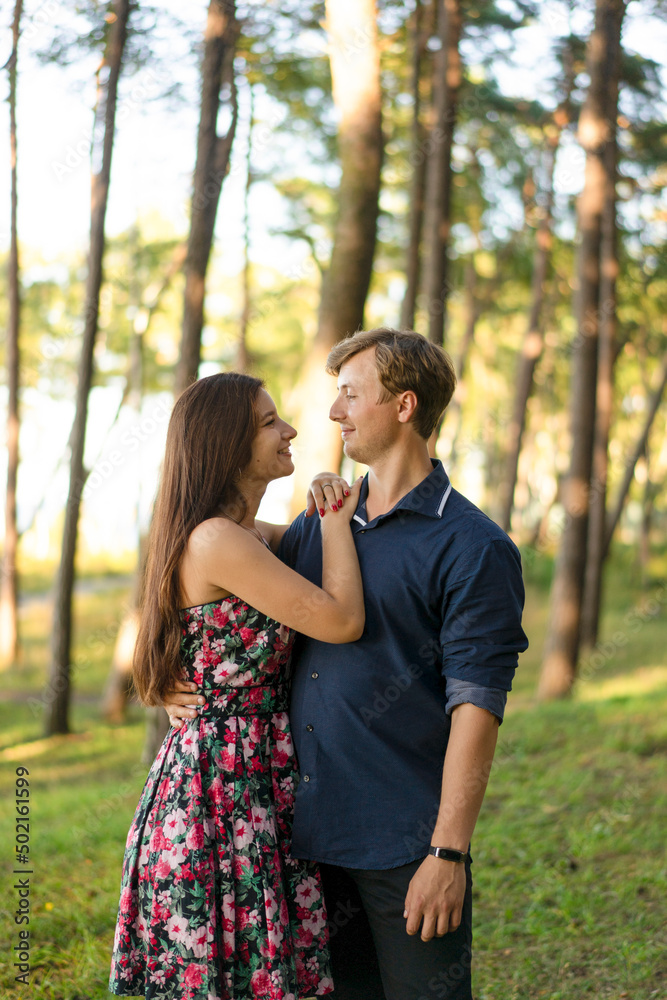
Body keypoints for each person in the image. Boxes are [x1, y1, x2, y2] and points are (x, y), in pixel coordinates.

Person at [165, 329, 529, 1000]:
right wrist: (181, 685)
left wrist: (447, 853)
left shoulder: (474, 547)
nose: (331, 414)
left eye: (349, 395)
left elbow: (478, 706)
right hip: (298, 842)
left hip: (404, 844)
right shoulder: (319, 525)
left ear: (403, 406)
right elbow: (209, 584)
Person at [109, 371, 365, 1000]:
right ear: (226, 444)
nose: (291, 430)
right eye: (269, 422)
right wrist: (334, 518)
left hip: (251, 775)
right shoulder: (216, 540)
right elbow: (341, 619)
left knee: (254, 959)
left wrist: (321, 501)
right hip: (217, 790)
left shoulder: (247, 535)